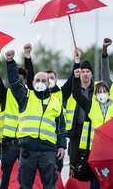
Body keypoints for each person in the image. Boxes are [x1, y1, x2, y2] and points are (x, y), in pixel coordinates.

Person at [5, 49, 67, 189]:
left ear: (48, 83)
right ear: (32, 83)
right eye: (37, 80)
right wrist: (10, 62)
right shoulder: (26, 97)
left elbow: (61, 127)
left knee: (50, 185)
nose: (40, 82)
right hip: (28, 149)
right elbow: (15, 83)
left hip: (49, 151)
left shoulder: (56, 103)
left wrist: (62, 146)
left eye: (43, 80)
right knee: (25, 186)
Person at [23, 43, 76, 172]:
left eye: (52, 78)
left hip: (55, 140)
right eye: (47, 78)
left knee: (54, 173)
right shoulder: (34, 94)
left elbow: (73, 78)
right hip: (36, 142)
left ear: (56, 80)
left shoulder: (62, 92)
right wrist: (27, 56)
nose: (49, 80)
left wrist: (77, 61)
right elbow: (30, 76)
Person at [72, 69, 113, 188]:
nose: (102, 94)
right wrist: (76, 78)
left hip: (110, 150)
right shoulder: (90, 105)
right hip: (94, 149)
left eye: (105, 91)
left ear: (109, 93)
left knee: (107, 177)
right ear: (95, 94)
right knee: (95, 178)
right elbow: (76, 94)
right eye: (99, 92)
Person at [0, 45, 28, 189]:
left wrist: (27, 56)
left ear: (25, 81)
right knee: (5, 178)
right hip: (9, 144)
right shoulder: (6, 95)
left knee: (25, 178)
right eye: (15, 79)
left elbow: (31, 75)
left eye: (20, 79)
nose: (17, 82)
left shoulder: (29, 95)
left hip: (26, 142)